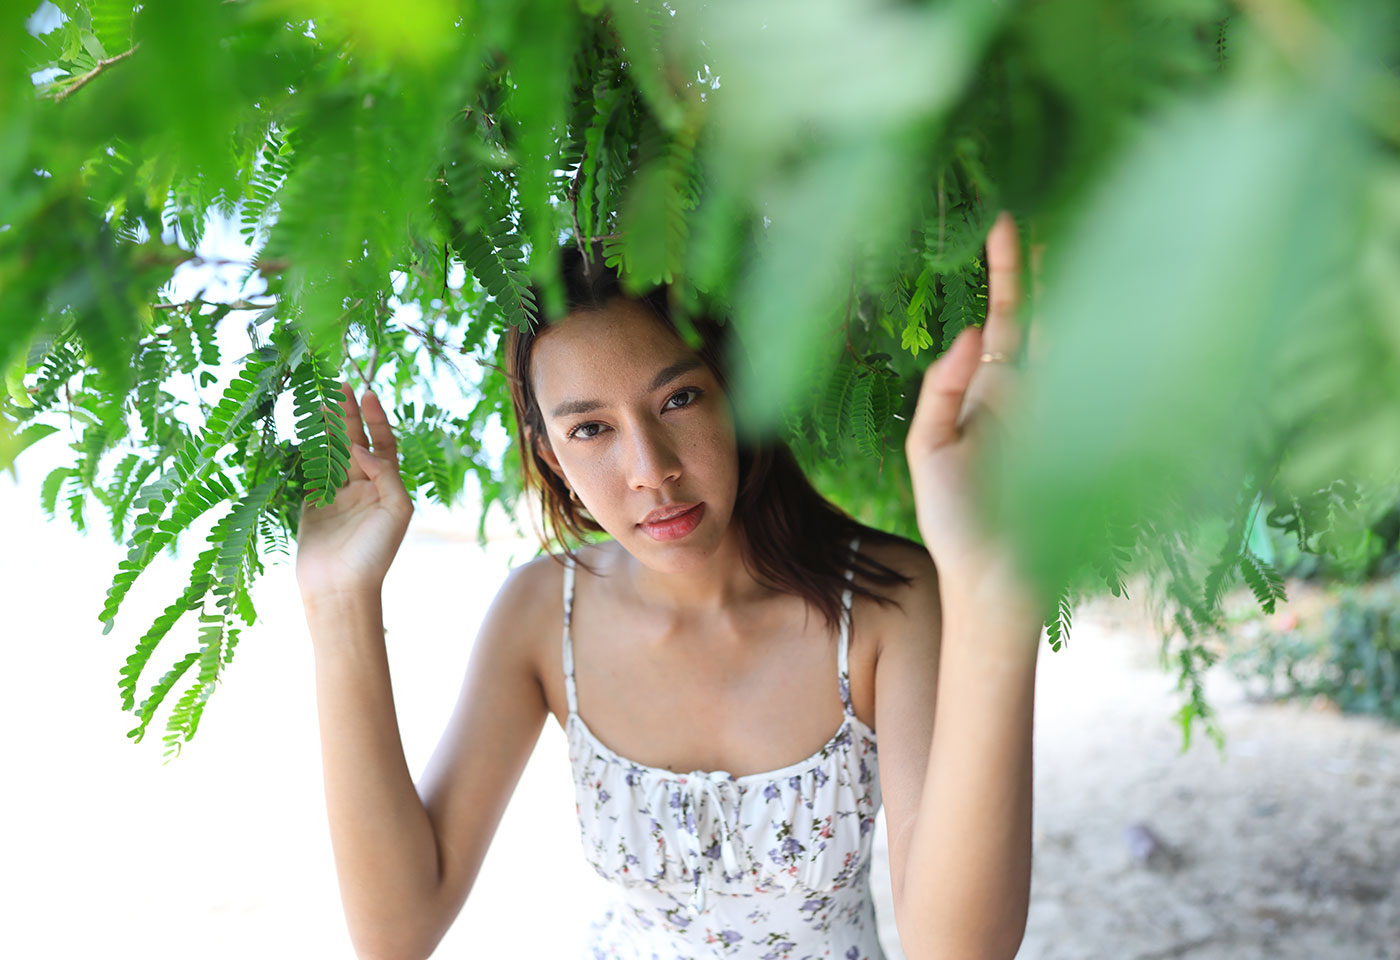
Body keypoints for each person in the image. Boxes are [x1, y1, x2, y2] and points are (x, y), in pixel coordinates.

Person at [295, 211, 1045, 960]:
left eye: (678, 399)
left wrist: (996, 595)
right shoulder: (540, 615)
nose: (651, 469)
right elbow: (396, 934)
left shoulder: (886, 602)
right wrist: (338, 604)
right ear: (553, 459)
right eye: (591, 430)